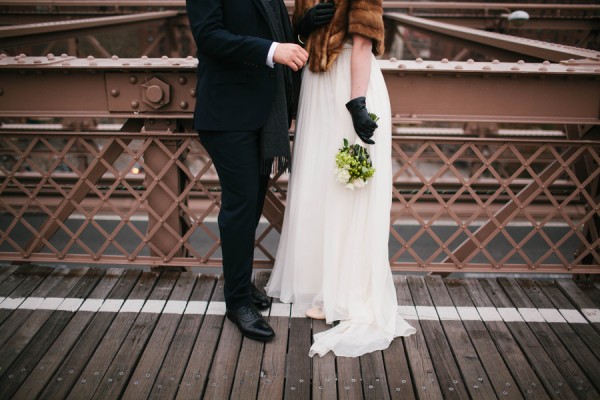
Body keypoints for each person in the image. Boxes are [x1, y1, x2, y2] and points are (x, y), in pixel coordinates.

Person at [266, 0, 417, 356]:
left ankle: (347, 291)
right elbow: (300, 37)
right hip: (317, 86)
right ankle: (321, 284)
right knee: (318, 185)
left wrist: (357, 103)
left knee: (348, 185)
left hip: (351, 84)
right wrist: (303, 24)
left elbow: (362, 44)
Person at [186, 0, 308, 342]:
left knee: (253, 202)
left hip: (263, 112)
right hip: (227, 115)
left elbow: (277, 31)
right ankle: (237, 302)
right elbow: (209, 37)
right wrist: (272, 51)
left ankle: (241, 286)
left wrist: (304, 25)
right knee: (240, 207)